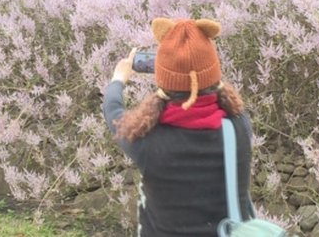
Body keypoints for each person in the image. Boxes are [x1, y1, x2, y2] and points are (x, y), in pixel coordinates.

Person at [102, 17, 255, 237]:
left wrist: (118, 79)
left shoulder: (146, 140)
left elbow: (113, 113)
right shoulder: (239, 127)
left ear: (163, 82)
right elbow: (217, 92)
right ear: (215, 75)